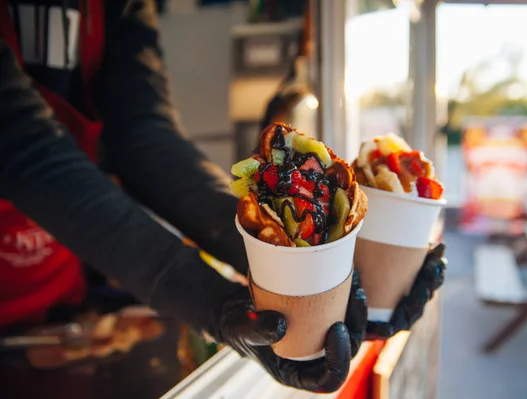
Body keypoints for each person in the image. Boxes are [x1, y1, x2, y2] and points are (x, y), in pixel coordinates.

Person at [0, 0, 445, 392]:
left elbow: (142, 135)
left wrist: (306, 274)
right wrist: (210, 302)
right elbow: (20, 146)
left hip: (61, 294)